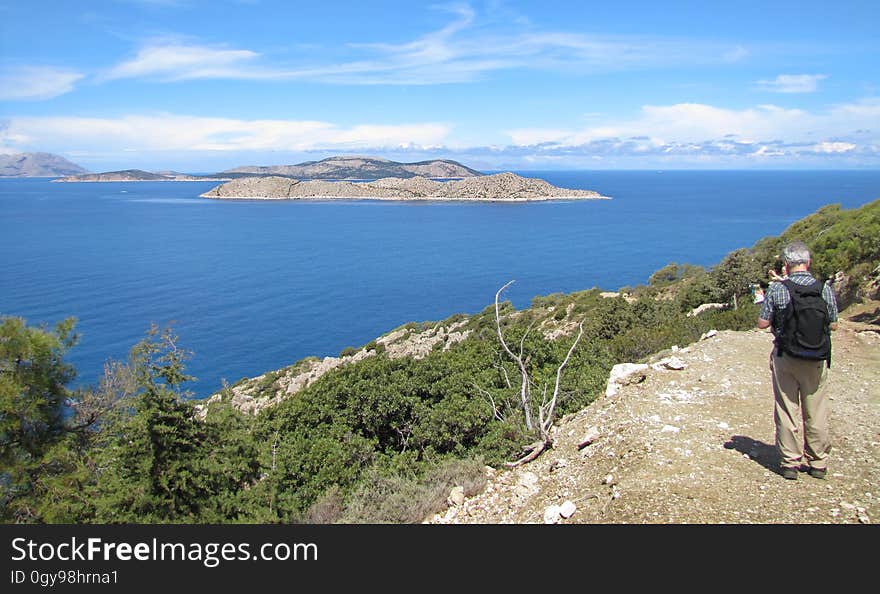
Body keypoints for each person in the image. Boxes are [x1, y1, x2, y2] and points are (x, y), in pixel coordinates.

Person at [754, 241, 838, 480]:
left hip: (786, 357)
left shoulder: (779, 290)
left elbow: (762, 323)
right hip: (817, 358)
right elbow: (833, 323)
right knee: (816, 409)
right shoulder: (824, 289)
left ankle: (790, 462)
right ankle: (818, 462)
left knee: (787, 408)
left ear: (786, 265)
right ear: (808, 263)